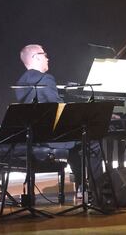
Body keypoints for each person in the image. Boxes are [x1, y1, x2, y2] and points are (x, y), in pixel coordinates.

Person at [14, 44, 107, 203]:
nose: (48, 58)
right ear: (36, 57)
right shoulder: (46, 79)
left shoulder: (21, 83)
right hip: (52, 137)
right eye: (45, 54)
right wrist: (84, 115)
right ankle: (99, 193)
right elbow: (59, 108)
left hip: (36, 136)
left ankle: (81, 187)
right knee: (92, 141)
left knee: (75, 143)